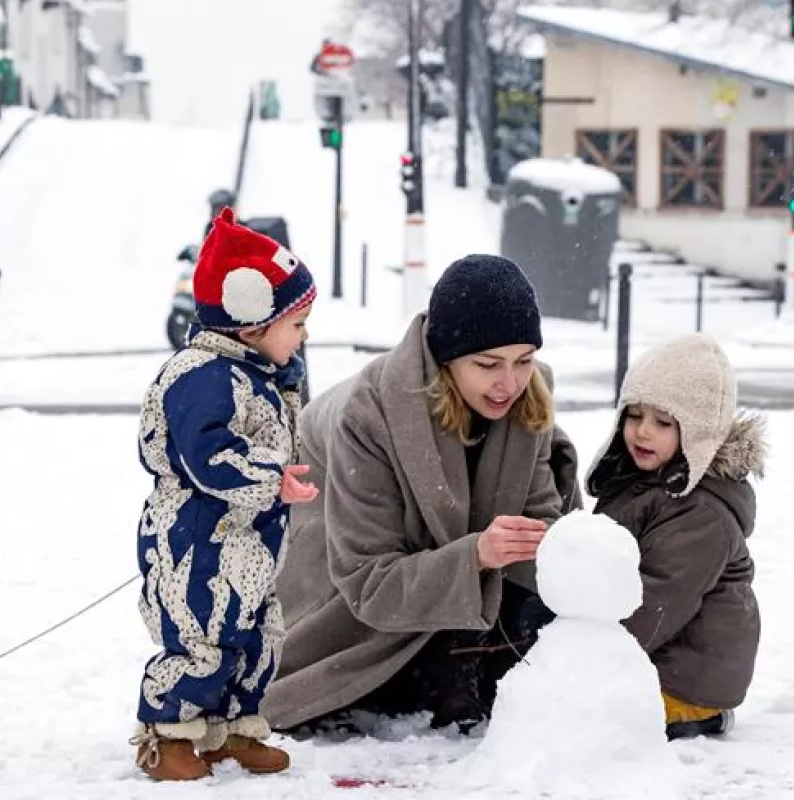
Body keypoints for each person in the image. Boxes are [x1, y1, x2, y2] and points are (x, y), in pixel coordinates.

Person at [263, 254, 582, 735]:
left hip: (435, 573)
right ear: (446, 358)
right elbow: (368, 582)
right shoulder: (366, 417)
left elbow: (541, 517)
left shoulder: (527, 394)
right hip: (336, 578)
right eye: (488, 364)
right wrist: (475, 555)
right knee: (400, 678)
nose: (509, 383)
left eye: (524, 361)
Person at [129, 207, 320, 781]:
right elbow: (206, 455)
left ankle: (234, 728)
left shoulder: (259, 373)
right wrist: (271, 477)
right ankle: (169, 733)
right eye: (297, 324)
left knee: (256, 633)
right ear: (251, 320)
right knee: (200, 634)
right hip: (194, 541)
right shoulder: (202, 376)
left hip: (250, 542)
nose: (304, 337)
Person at [583, 332, 767, 740]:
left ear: (699, 433)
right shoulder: (644, 481)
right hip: (655, 655)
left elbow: (656, 605)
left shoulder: (700, 512)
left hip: (687, 677)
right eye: (634, 416)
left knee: (585, 716)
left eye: (663, 422)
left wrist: (583, 654)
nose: (642, 432)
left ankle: (701, 716)